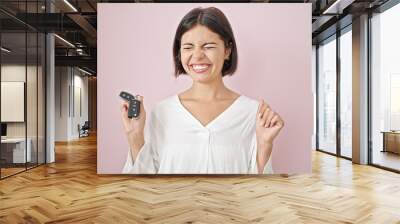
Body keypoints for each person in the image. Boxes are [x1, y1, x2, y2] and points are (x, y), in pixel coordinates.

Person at [120, 7, 284, 174]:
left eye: (208, 46)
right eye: (188, 47)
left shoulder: (253, 113)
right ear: (179, 52)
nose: (197, 55)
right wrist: (134, 136)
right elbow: (142, 186)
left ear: (227, 50)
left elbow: (258, 190)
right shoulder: (161, 112)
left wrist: (265, 145)